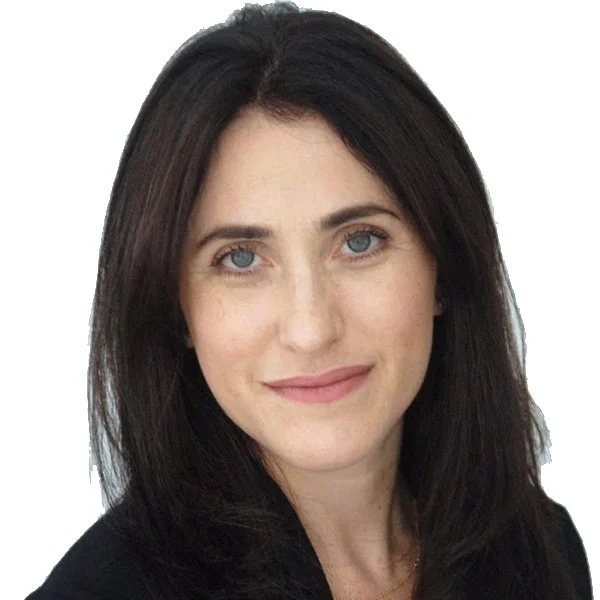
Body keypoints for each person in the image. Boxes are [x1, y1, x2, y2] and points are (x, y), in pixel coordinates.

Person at [25, 3, 593, 599]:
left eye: (360, 241)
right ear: (174, 307)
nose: (311, 327)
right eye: (240, 258)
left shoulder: (538, 549)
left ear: (444, 268)